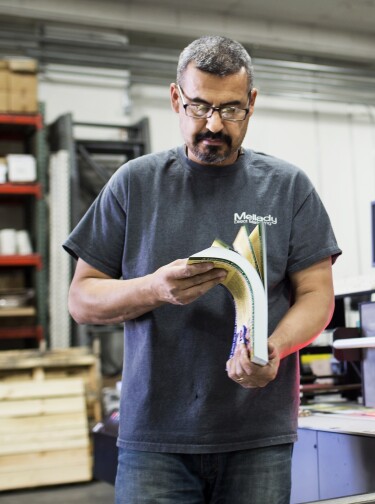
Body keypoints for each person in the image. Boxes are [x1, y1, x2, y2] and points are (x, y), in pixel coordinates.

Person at [64, 35, 341, 503]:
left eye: (230, 109)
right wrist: (154, 289)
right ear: (176, 98)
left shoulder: (289, 188)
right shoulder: (134, 184)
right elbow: (81, 299)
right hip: (155, 440)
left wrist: (272, 348)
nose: (213, 124)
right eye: (198, 107)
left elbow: (318, 296)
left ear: (251, 104)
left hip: (258, 436)